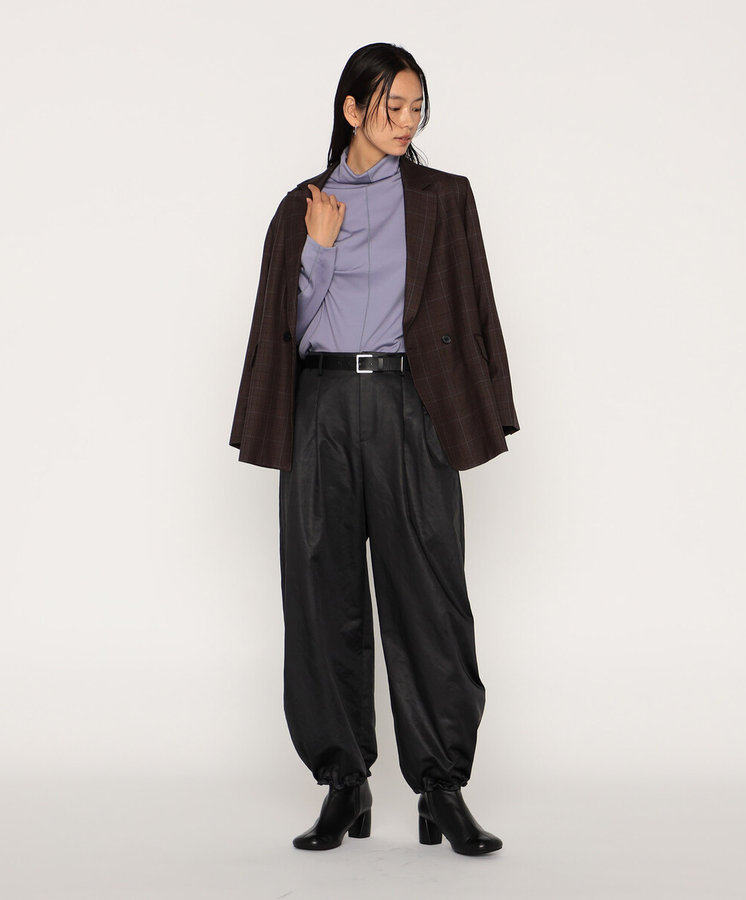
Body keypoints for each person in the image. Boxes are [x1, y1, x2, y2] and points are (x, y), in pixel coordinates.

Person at [229, 42, 520, 855]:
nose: (406, 121)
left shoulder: (442, 198)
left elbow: (475, 304)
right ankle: (343, 782)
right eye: (392, 106)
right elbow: (283, 327)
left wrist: (482, 409)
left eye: (417, 107)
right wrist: (319, 247)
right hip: (319, 408)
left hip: (408, 406)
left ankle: (442, 789)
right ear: (352, 109)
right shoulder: (303, 206)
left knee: (429, 594)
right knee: (321, 597)